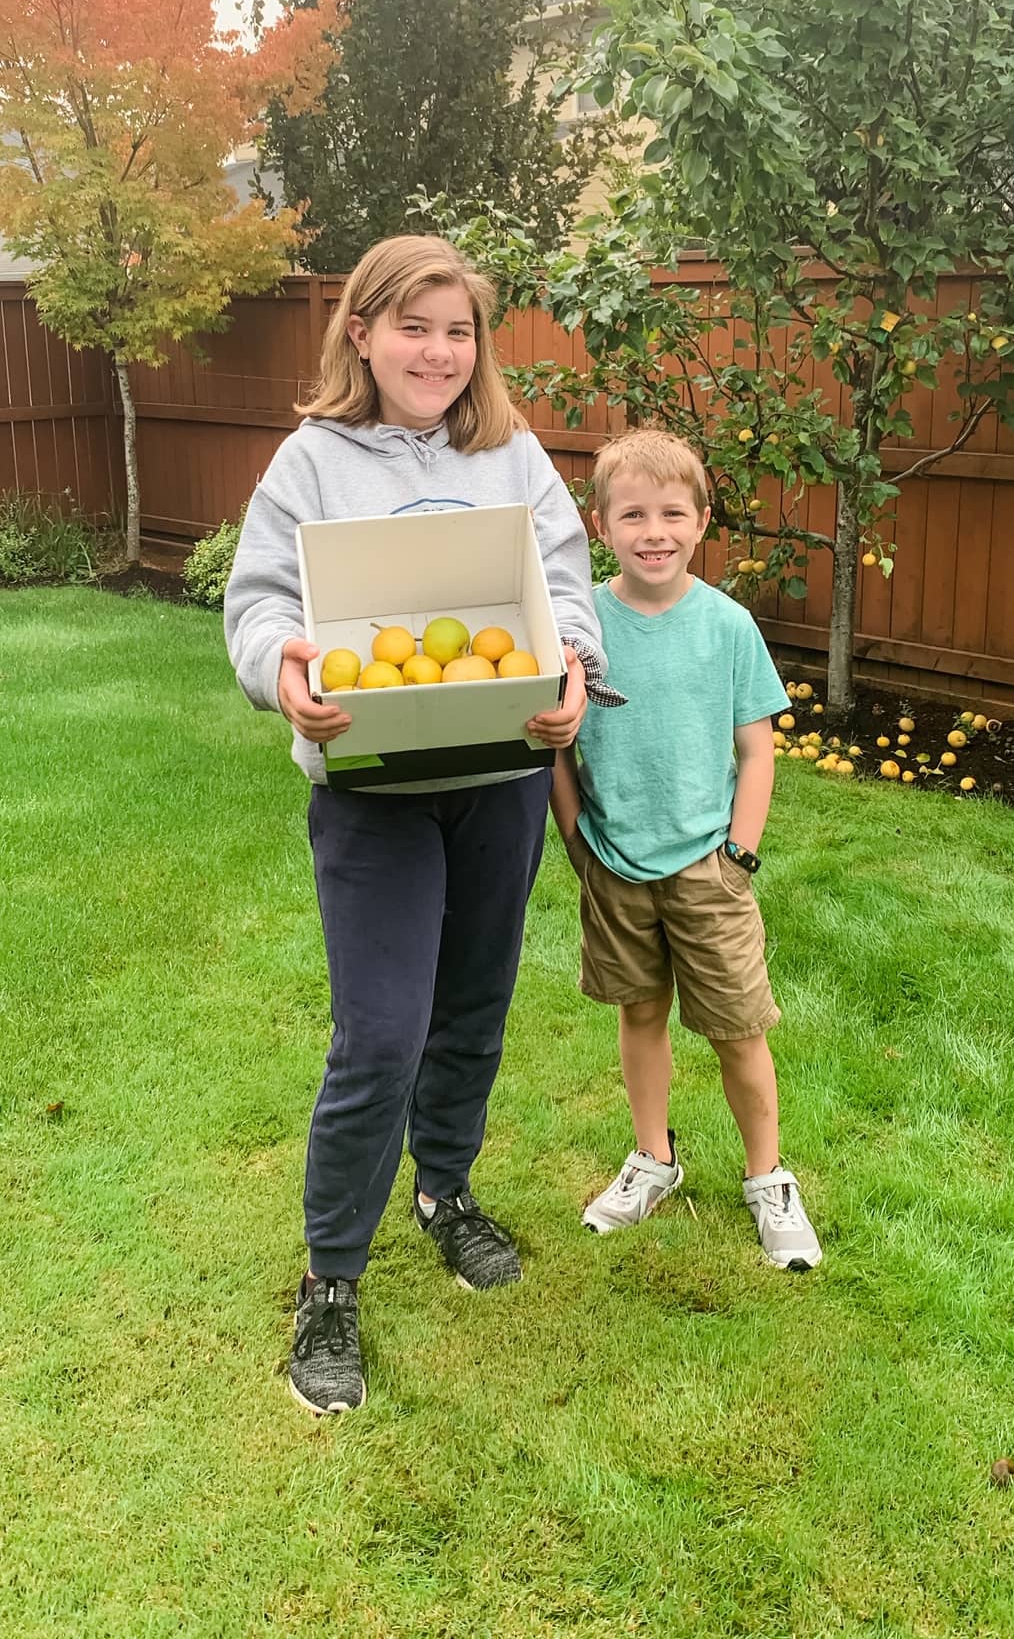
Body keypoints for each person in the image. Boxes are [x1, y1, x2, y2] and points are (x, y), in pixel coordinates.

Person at [225, 234, 619, 1416]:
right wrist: (280, 670)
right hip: (372, 791)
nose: (438, 353)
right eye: (414, 327)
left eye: (459, 332)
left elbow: (566, 590)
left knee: (472, 1008)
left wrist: (575, 675)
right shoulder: (310, 463)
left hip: (500, 774)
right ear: (361, 332)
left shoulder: (513, 458)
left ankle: (443, 1190)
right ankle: (331, 1277)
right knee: (380, 1035)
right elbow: (259, 607)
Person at [550, 428, 823, 1271]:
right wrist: (577, 843)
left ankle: (769, 1179)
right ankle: (652, 1160)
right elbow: (556, 744)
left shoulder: (728, 626)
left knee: (739, 1028)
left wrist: (738, 856)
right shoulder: (580, 622)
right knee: (640, 1013)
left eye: (673, 513)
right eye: (632, 514)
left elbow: (757, 751)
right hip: (614, 861)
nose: (653, 531)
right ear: (602, 527)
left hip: (708, 866)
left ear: (702, 522)